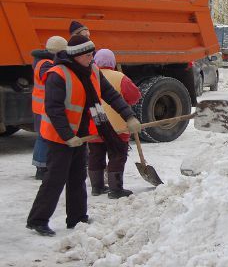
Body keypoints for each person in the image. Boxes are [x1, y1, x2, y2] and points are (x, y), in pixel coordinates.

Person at [26, 35, 142, 237]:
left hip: (81, 134)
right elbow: (54, 109)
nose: (92, 58)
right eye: (88, 55)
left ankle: (77, 217)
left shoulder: (93, 71)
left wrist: (129, 116)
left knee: (78, 176)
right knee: (55, 178)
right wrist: (67, 135)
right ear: (77, 55)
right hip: (59, 136)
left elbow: (111, 95)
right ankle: (38, 220)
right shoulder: (58, 74)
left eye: (92, 55)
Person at [88, 49, 141, 199]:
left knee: (95, 155)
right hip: (117, 127)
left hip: (94, 126)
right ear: (113, 62)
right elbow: (135, 96)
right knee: (117, 156)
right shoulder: (120, 77)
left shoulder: (90, 77)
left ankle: (97, 187)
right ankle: (115, 189)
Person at [31, 36, 68, 180]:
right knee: (44, 137)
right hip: (43, 107)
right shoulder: (45, 64)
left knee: (44, 137)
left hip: (41, 107)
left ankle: (43, 165)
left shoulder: (43, 62)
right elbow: (52, 79)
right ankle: (41, 167)